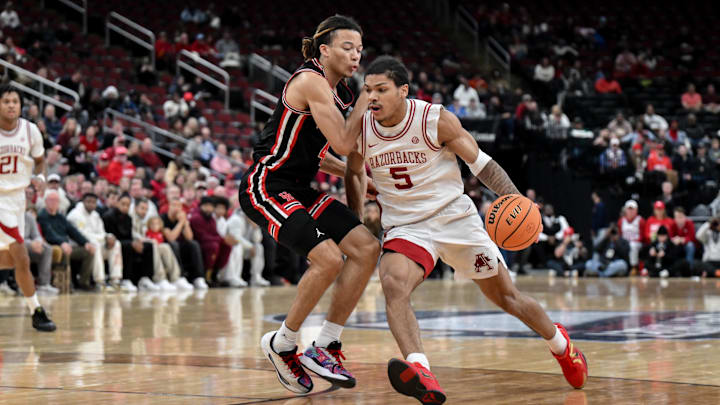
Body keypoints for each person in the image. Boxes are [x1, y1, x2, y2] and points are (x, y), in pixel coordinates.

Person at [345, 56, 587, 404]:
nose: (373, 97)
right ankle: (421, 369)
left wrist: (517, 199)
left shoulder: (434, 119)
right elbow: (354, 172)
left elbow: (482, 166)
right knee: (393, 283)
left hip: (453, 217)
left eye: (381, 89)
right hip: (406, 225)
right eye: (368, 90)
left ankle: (562, 346)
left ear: (403, 91)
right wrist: (356, 222)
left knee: (507, 298)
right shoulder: (360, 128)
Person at [239, 15, 380, 394]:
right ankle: (282, 343)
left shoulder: (340, 94)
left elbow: (341, 161)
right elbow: (345, 145)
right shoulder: (310, 81)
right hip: (267, 184)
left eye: (360, 50)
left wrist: (361, 201)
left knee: (367, 248)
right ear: (324, 50)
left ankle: (325, 345)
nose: (356, 56)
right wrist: (366, 103)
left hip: (301, 186)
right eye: (347, 48)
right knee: (329, 258)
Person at [0, 85, 57, 331]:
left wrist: (41, 178)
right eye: (6, 101)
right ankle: (36, 311)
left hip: (18, 201)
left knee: (11, 261)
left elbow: (41, 160)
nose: (11, 105)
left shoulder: (30, 131)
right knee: (21, 256)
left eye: (15, 101)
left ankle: (35, 310)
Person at [66, 193, 124, 290]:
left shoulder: (96, 215)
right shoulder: (74, 214)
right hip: (79, 246)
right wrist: (104, 238)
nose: (91, 204)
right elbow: (83, 235)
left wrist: (108, 236)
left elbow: (101, 232)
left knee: (116, 243)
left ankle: (115, 279)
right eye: (88, 202)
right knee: (95, 245)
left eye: (93, 202)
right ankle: (99, 281)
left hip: (96, 242)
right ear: (83, 201)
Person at [162, 199, 205, 289]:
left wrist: (185, 223)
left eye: (178, 206)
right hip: (166, 247)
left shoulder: (182, 219)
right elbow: (170, 238)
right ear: (169, 206)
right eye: (174, 205)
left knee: (194, 244)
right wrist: (181, 223)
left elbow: (189, 237)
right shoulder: (163, 218)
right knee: (174, 244)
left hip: (179, 246)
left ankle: (198, 277)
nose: (176, 208)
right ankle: (180, 277)